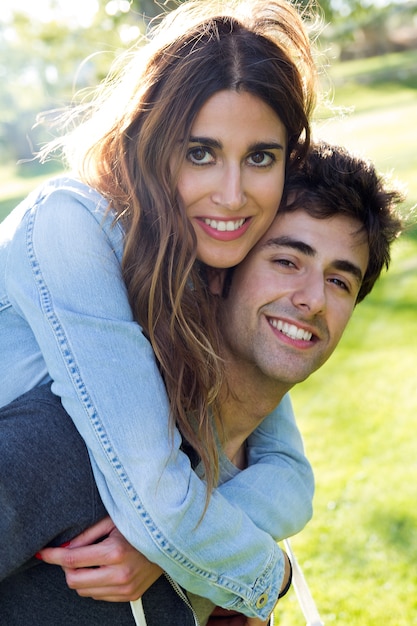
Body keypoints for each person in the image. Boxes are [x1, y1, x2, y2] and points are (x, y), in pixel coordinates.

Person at [0, 0, 319, 622]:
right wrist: (267, 574)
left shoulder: (211, 265)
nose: (232, 194)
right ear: (149, 140)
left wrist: (164, 547)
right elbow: (152, 495)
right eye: (199, 152)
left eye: (260, 157)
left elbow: (286, 471)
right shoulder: (70, 224)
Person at [0, 141, 404, 626]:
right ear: (217, 275)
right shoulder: (71, 441)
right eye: (286, 262)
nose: (313, 299)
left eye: (340, 281)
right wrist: (271, 577)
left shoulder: (252, 494)